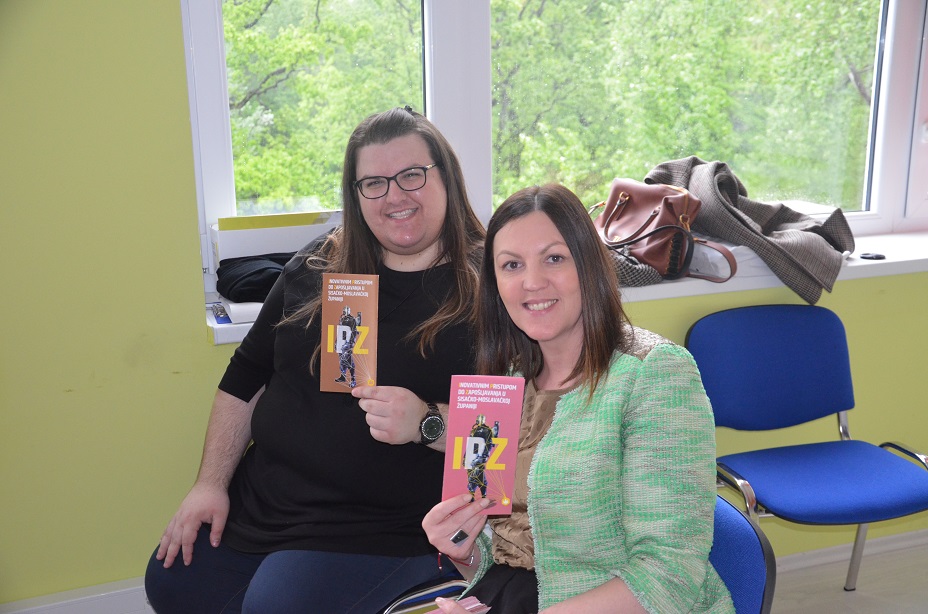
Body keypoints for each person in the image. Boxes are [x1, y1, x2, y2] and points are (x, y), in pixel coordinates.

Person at [144, 107, 486, 613]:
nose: (394, 196)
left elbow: (513, 434)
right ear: (355, 195)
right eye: (374, 183)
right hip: (267, 503)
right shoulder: (319, 264)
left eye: (412, 174)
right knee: (171, 582)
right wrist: (210, 484)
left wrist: (427, 422)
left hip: (377, 529)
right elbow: (246, 376)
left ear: (447, 178)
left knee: (274, 606)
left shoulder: (490, 286)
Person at [422, 184, 735, 613]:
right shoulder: (507, 379)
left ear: (588, 264)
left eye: (554, 258)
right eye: (512, 265)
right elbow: (515, 552)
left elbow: (670, 576)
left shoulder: (656, 373)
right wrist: (464, 548)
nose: (533, 282)